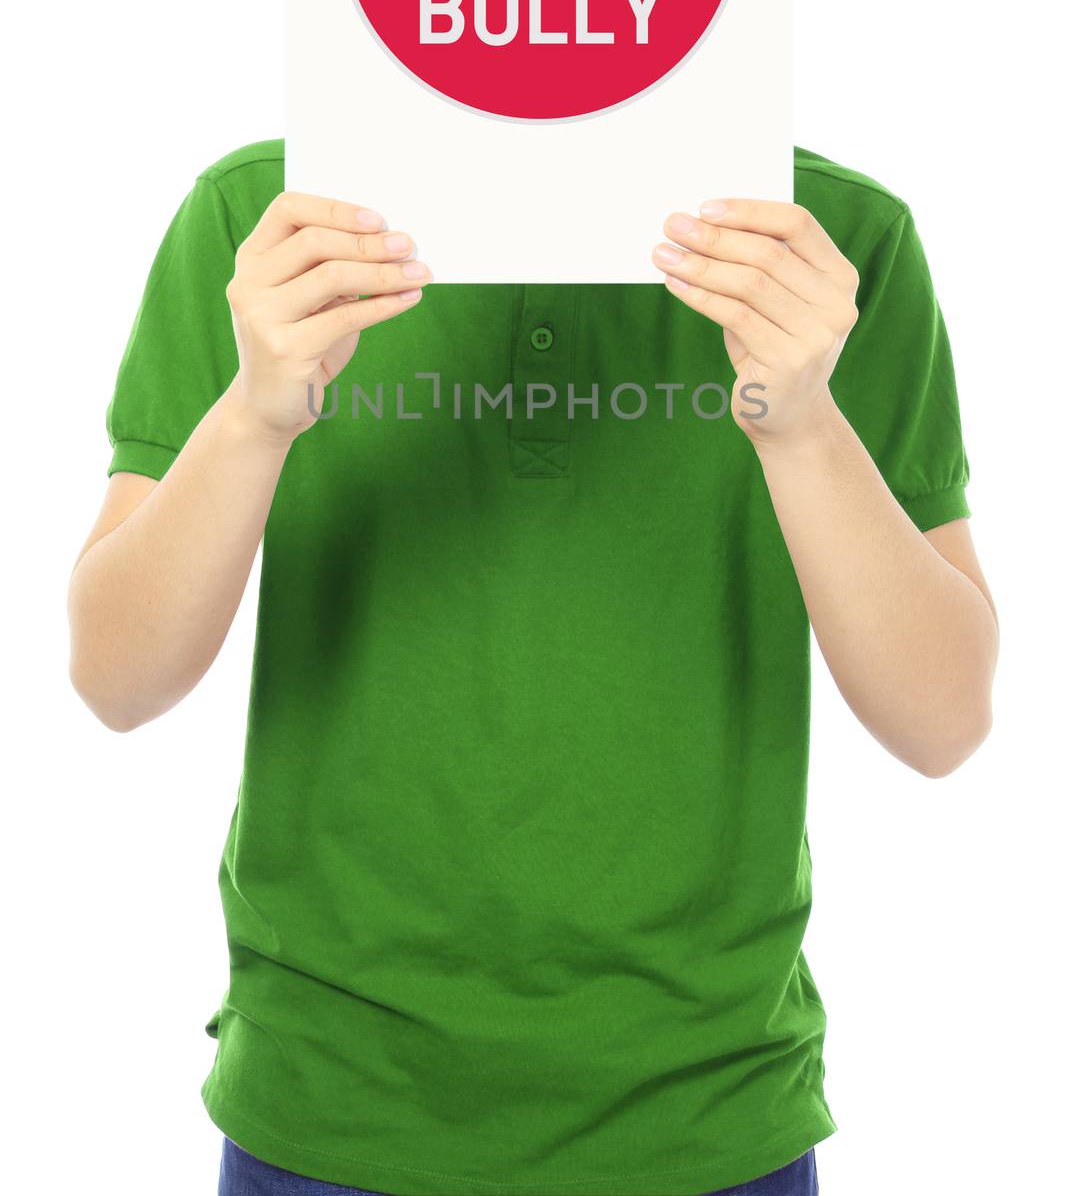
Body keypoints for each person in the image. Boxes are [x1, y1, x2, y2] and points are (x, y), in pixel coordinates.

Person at [68, 138, 998, 1196]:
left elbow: (942, 719)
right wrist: (254, 413)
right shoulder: (264, 221)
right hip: (328, 1104)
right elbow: (116, 677)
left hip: (707, 1116)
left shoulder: (827, 242)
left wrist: (798, 424)